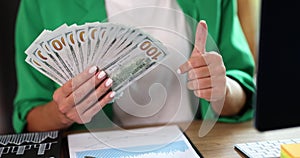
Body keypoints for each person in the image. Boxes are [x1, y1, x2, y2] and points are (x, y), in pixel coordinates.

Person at [13, 0, 255, 133]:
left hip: (196, 145)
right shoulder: (42, 3)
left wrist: (222, 92)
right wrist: (62, 113)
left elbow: (244, 93)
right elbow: (30, 118)